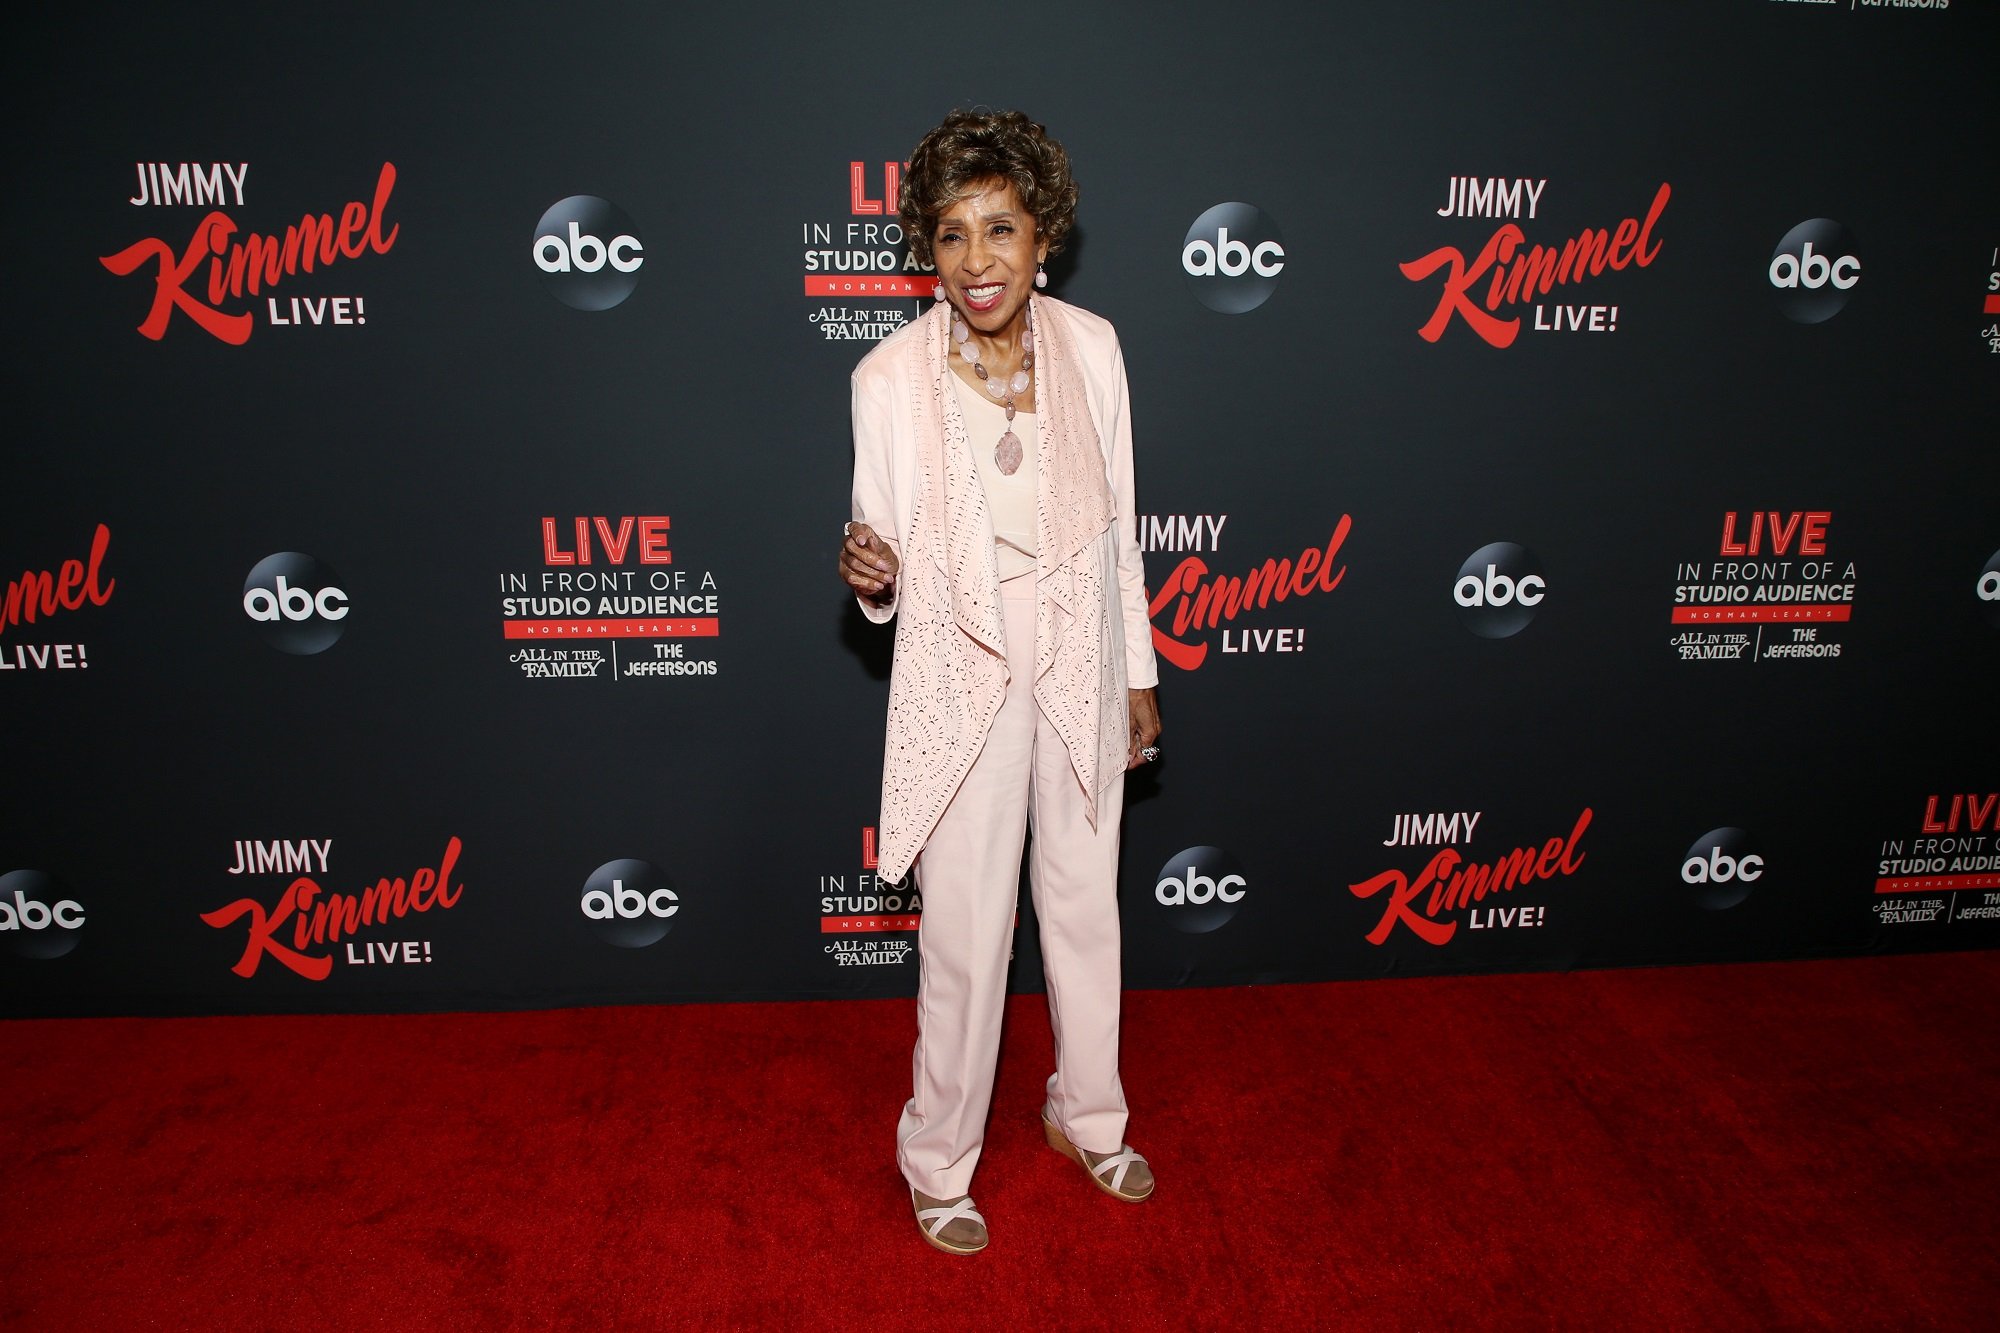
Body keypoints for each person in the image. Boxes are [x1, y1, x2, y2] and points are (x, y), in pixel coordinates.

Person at [838, 108, 1162, 1256]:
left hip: (1078, 645)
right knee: (967, 931)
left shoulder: (1094, 347)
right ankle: (936, 1160)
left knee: (1083, 903)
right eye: (950, 234)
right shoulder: (885, 378)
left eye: (1000, 229)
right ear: (925, 248)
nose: (976, 260)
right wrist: (869, 572)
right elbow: (880, 558)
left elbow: (1117, 520)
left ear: (1044, 238)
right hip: (962, 660)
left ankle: (1087, 1115)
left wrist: (1136, 668)